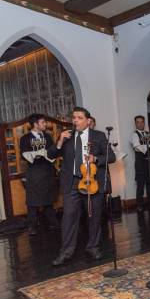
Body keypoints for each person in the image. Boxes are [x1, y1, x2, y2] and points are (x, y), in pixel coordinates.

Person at [48, 107, 115, 266]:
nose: (75, 120)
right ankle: (66, 252)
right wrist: (59, 141)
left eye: (79, 118)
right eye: (74, 117)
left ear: (88, 121)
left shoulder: (98, 136)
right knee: (69, 218)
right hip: (71, 183)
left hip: (91, 182)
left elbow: (111, 156)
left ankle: (93, 247)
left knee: (93, 216)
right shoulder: (67, 136)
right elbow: (51, 155)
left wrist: (95, 159)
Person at [19, 113, 59, 235]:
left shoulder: (47, 137)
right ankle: (32, 226)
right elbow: (23, 154)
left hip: (47, 170)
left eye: (44, 122)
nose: (45, 124)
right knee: (33, 201)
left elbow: (52, 152)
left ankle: (53, 223)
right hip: (34, 171)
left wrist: (48, 154)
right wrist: (35, 154)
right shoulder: (25, 138)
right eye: (42, 122)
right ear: (35, 124)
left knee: (49, 199)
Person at [130, 115, 150, 211]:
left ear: (144, 123)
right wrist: (148, 145)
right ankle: (140, 205)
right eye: (138, 122)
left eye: (142, 122)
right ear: (135, 124)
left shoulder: (148, 133)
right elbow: (137, 147)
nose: (140, 124)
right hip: (140, 164)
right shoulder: (134, 135)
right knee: (140, 185)